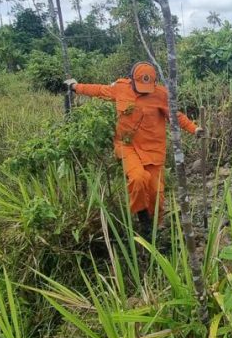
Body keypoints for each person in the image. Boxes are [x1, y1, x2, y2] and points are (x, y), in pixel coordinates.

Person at [64, 62, 203, 222]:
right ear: (131, 79)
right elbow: (99, 90)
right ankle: (143, 220)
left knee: (156, 195)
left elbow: (175, 116)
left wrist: (194, 129)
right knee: (138, 178)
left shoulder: (161, 94)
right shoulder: (121, 88)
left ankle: (154, 232)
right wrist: (75, 86)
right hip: (127, 146)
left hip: (153, 150)